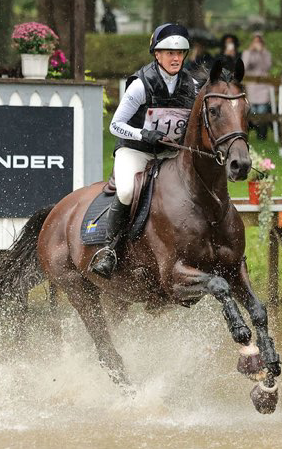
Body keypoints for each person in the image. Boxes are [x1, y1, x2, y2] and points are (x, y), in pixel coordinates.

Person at [91, 23, 197, 278]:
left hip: (170, 154)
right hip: (135, 150)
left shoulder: (191, 85)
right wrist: (143, 133)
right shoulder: (140, 85)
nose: (176, 58)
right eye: (169, 53)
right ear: (156, 55)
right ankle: (110, 249)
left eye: (180, 53)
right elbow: (115, 125)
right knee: (127, 190)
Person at [241, 32, 272, 140]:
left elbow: (267, 66)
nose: (257, 43)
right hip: (251, 87)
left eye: (259, 41)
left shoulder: (266, 53)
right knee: (252, 112)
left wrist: (261, 53)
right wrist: (250, 51)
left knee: (262, 112)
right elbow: (244, 66)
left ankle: (262, 136)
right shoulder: (247, 52)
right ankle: (248, 136)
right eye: (255, 41)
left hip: (263, 87)